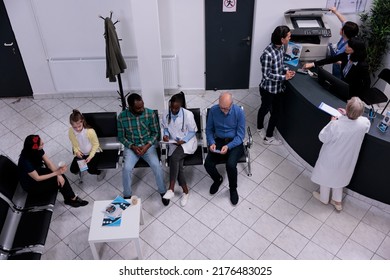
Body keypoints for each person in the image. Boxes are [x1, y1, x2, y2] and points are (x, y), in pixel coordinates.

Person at [311, 97, 370, 211]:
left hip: (331, 157)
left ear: (347, 109)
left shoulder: (336, 125)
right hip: (347, 159)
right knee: (339, 178)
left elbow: (322, 137)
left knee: (326, 176)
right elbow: (363, 122)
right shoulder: (363, 124)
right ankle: (337, 201)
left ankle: (324, 198)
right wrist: (348, 115)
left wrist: (332, 121)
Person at [117, 93, 169, 206]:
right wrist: (132, 146)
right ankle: (127, 195)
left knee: (157, 166)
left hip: (147, 146)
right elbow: (121, 136)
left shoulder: (150, 114)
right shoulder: (122, 117)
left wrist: (146, 146)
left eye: (142, 106)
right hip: (132, 147)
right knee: (126, 169)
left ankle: (162, 191)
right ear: (130, 107)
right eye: (138, 108)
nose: (142, 109)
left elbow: (156, 133)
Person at [18, 135, 88, 208]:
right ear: (36, 147)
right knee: (58, 181)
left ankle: (71, 198)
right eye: (41, 144)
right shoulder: (25, 162)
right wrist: (56, 173)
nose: (43, 143)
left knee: (61, 177)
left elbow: (49, 163)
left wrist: (58, 175)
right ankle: (71, 199)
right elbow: (37, 178)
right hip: (31, 184)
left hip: (37, 172)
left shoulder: (37, 150)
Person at [257, 25, 296, 145]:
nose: (290, 38)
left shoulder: (280, 48)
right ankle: (260, 129)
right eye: (288, 36)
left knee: (276, 112)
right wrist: (284, 77)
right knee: (264, 108)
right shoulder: (267, 54)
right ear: (282, 39)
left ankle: (268, 136)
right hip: (268, 89)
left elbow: (280, 65)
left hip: (278, 88)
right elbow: (267, 75)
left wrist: (286, 70)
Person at [204, 92, 245, 205]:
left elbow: (241, 135)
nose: (223, 111)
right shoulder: (213, 110)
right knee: (208, 164)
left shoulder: (239, 112)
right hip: (219, 140)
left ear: (231, 104)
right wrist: (212, 142)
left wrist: (228, 146)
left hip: (235, 142)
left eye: (226, 108)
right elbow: (209, 130)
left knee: (231, 165)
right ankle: (218, 179)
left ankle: (232, 189)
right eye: (221, 108)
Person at [303, 37, 370, 99]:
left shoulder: (362, 66)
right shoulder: (347, 55)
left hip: (351, 94)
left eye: (349, 46)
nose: (346, 47)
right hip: (341, 86)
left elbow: (367, 83)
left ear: (355, 50)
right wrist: (313, 64)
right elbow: (331, 59)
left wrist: (358, 99)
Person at [161, 92, 197, 207]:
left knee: (174, 158)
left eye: (176, 108)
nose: (173, 110)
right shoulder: (166, 113)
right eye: (171, 107)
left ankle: (171, 188)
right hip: (173, 143)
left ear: (181, 106)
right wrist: (165, 135)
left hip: (187, 143)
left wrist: (184, 140)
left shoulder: (188, 115)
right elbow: (165, 127)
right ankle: (185, 192)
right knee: (178, 165)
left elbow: (192, 131)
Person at [68, 109, 106, 181]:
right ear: (71, 125)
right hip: (81, 154)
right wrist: (76, 151)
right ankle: (83, 167)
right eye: (75, 127)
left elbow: (96, 144)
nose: (78, 129)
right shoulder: (71, 131)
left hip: (93, 153)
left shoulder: (90, 131)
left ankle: (99, 172)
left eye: (79, 126)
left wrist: (90, 156)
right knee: (73, 170)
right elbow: (74, 144)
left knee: (91, 171)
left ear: (82, 121)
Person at [328, 7, 359, 78]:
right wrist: (335, 11)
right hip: (336, 65)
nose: (340, 28)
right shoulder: (346, 36)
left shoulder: (350, 47)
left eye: (342, 28)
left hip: (341, 71)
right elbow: (343, 20)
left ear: (344, 32)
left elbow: (348, 64)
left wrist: (332, 60)